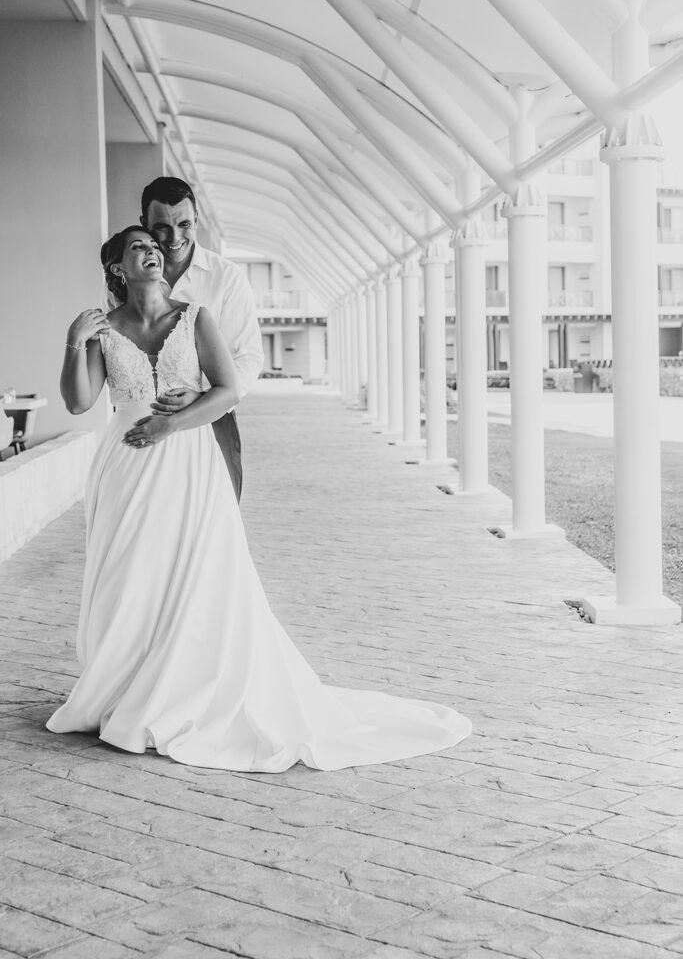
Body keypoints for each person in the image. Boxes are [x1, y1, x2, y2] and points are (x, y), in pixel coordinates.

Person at [46, 226, 471, 771]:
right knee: (127, 578)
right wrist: (73, 341)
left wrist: (170, 427)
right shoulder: (104, 330)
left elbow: (227, 390)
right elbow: (80, 403)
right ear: (117, 270)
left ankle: (182, 687)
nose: (153, 251)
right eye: (138, 248)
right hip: (125, 465)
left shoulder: (195, 317)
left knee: (200, 573)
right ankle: (120, 690)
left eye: (155, 245)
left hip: (189, 460)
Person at [139, 176, 263, 502]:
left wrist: (203, 396)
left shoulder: (227, 279)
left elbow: (248, 357)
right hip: (141, 420)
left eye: (184, 224)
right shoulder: (128, 278)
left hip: (211, 420)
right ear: (144, 224)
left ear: (197, 220)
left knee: (214, 525)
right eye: (162, 227)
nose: (174, 237)